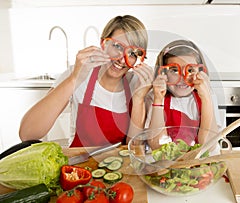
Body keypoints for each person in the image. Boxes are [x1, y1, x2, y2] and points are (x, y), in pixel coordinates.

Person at [19, 15, 153, 147]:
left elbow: (134, 147)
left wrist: (139, 99)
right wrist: (75, 78)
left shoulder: (137, 84)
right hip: (79, 166)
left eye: (132, 54)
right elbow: (28, 134)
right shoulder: (80, 72)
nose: (122, 59)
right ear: (103, 44)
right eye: (117, 46)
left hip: (119, 167)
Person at [145, 39, 221, 151]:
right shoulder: (154, 97)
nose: (182, 78)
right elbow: (157, 146)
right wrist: (158, 100)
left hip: (202, 165)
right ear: (163, 73)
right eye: (174, 70)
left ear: (200, 71)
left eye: (190, 70)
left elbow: (208, 146)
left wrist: (206, 98)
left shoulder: (207, 95)